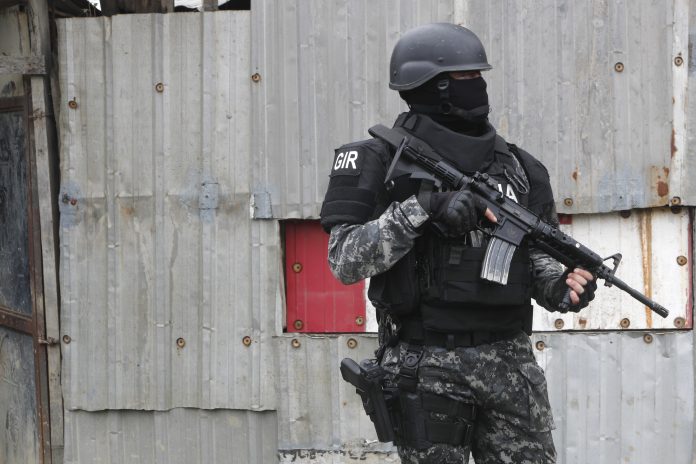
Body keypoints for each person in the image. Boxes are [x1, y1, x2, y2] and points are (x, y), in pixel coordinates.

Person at [320, 23, 597, 464]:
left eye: (478, 76)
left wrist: (559, 285)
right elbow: (344, 260)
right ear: (433, 87)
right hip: (425, 363)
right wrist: (423, 209)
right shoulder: (377, 159)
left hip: (510, 364)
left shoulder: (520, 167)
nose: (479, 86)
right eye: (467, 77)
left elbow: (534, 254)